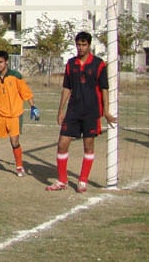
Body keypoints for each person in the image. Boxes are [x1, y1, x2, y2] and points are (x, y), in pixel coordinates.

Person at [48, 32, 117, 193]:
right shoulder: (71, 64)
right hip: (73, 110)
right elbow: (67, 87)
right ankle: (62, 180)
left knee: (88, 145)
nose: (80, 47)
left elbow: (104, 89)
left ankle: (83, 181)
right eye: (78, 44)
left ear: (89, 45)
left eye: (84, 44)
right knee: (62, 143)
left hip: (91, 111)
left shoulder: (99, 64)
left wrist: (106, 111)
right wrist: (61, 110)